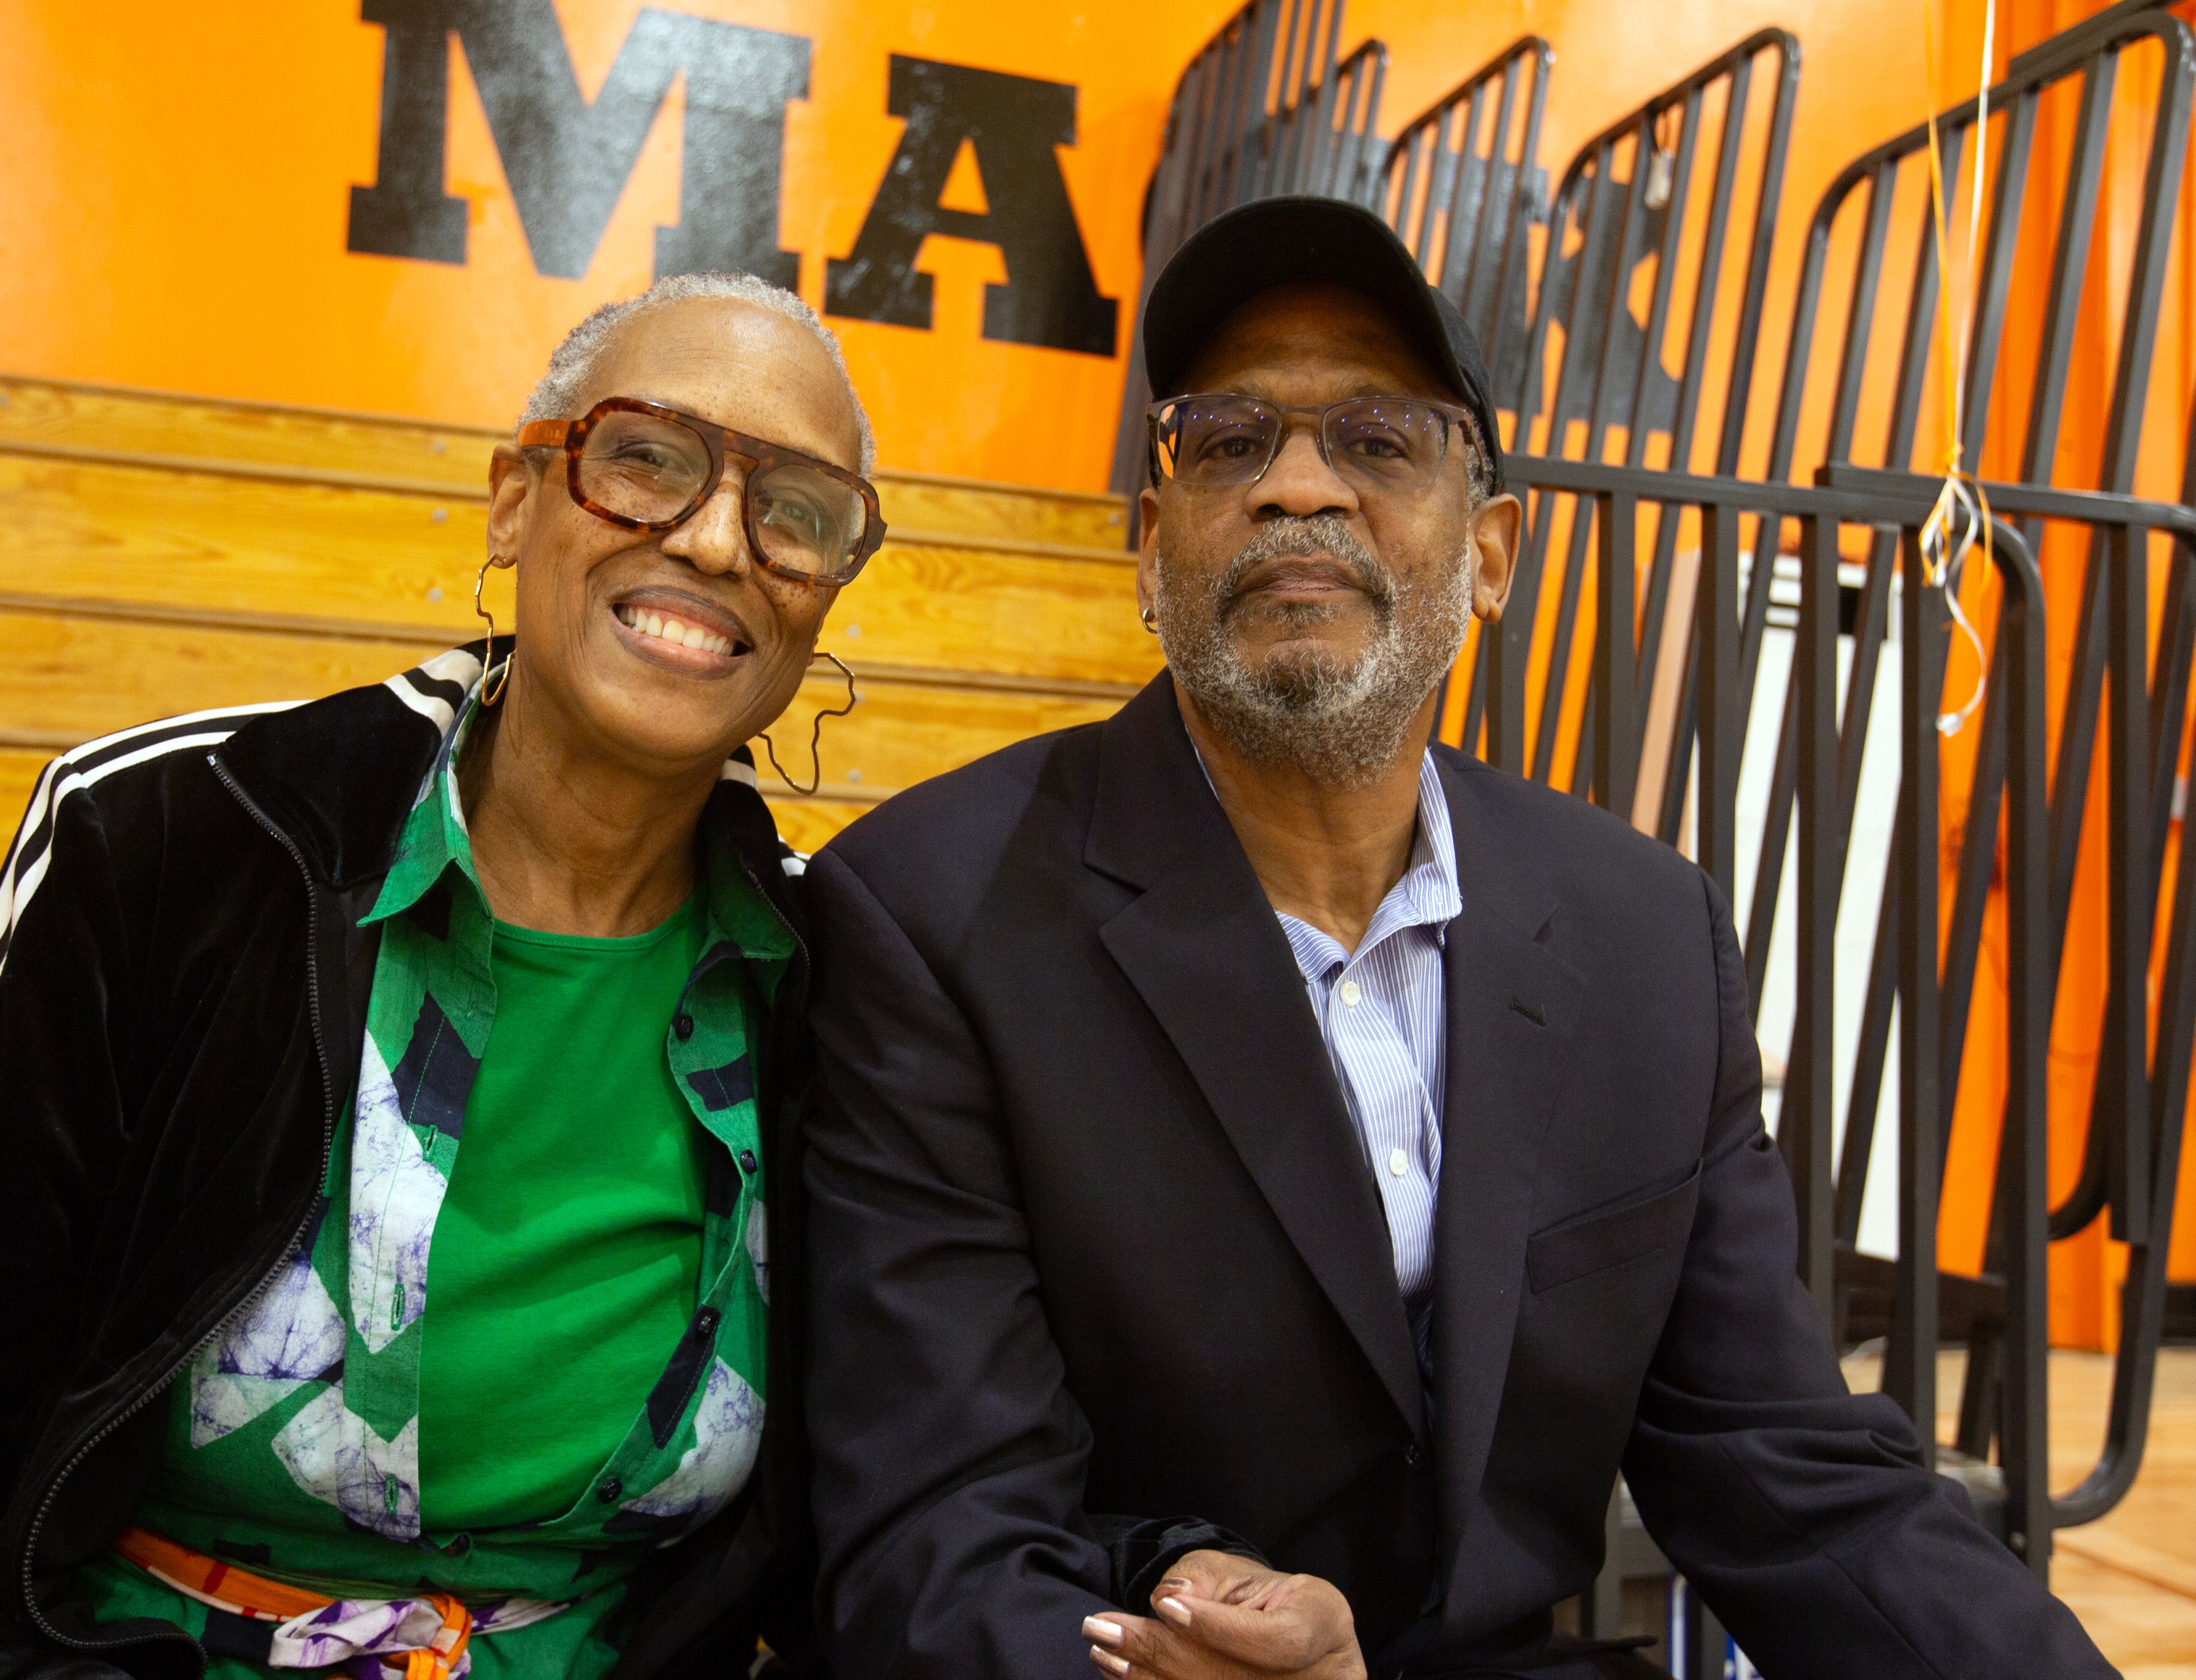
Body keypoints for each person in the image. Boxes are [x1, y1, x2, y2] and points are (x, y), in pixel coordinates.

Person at [799, 196, 2112, 1680]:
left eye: (1376, 437)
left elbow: (1789, 1468)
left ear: (1489, 555)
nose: (1300, 482)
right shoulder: (931, 916)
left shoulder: (1642, 930)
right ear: (1151, 546)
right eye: (1229, 441)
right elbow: (940, 1539)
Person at [0, 271, 885, 1680]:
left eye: (798, 512)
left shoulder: (829, 973)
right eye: (645, 460)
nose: (722, 536)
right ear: (515, 499)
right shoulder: (179, 841)